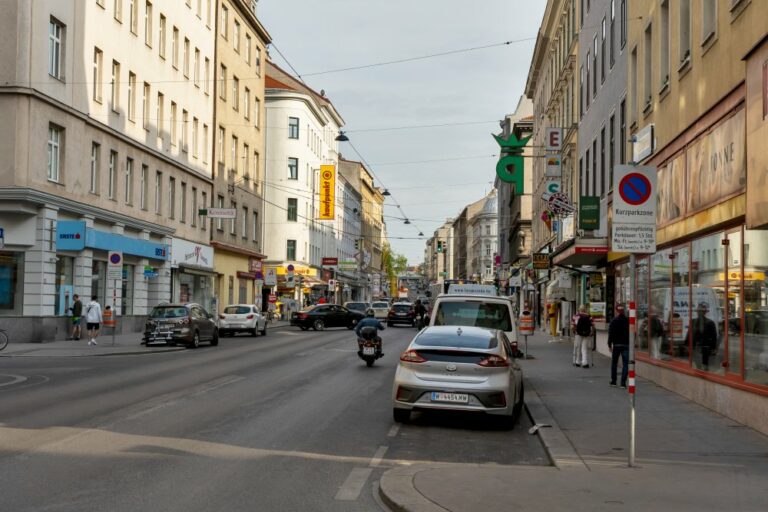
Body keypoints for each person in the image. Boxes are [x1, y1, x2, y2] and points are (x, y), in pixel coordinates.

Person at [687, 301, 718, 371]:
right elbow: (689, 333)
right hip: (696, 346)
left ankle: (704, 372)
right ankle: (700, 371)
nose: (700, 313)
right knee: (697, 363)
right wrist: (687, 344)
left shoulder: (710, 322)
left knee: (705, 363)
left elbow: (714, 336)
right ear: (697, 312)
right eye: (699, 311)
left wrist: (714, 347)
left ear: (705, 312)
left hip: (705, 346)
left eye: (702, 311)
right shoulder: (693, 321)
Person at [607, 303, 630, 388]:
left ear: (616, 311)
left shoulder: (614, 321)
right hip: (626, 345)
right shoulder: (628, 320)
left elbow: (610, 333)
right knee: (626, 364)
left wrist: (609, 344)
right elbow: (632, 333)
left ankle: (613, 381)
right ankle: (623, 383)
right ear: (623, 311)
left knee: (614, 363)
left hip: (616, 345)